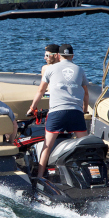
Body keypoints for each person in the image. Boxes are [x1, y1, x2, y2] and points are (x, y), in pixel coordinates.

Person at [26, 44, 89, 178]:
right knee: (85, 146)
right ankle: (89, 175)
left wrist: (32, 108)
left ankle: (40, 176)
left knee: (47, 146)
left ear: (59, 56)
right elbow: (86, 94)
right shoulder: (80, 69)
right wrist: (84, 111)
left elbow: (41, 91)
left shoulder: (50, 69)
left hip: (57, 113)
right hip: (76, 113)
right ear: (72, 56)